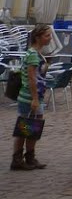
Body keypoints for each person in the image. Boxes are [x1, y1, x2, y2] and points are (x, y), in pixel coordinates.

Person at [11, 24, 51, 170]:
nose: (50, 38)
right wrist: (34, 98)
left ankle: (29, 156)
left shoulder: (36, 53)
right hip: (29, 97)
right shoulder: (33, 54)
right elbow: (31, 78)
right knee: (25, 128)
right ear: (38, 37)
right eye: (47, 36)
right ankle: (17, 159)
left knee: (33, 128)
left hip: (35, 97)